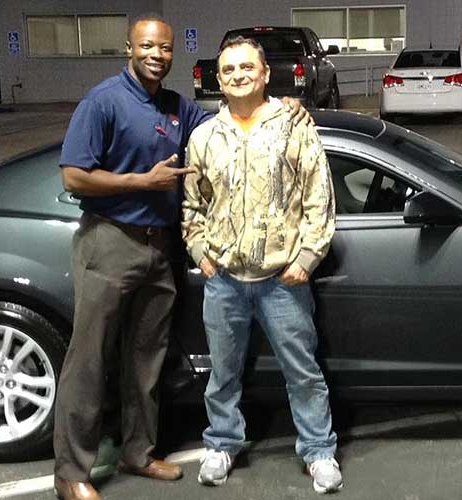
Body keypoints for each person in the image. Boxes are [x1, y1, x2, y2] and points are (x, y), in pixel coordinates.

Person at [53, 13, 311, 500]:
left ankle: (137, 450)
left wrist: (285, 105)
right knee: (88, 361)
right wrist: (139, 182)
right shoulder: (103, 101)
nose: (156, 55)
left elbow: (233, 120)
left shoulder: (176, 107)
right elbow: (73, 176)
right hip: (110, 240)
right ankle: (70, 472)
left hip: (160, 246)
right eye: (147, 46)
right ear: (130, 48)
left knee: (146, 360)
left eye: (166, 48)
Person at [181, 36, 341, 494]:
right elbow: (192, 205)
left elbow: (319, 199)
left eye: (246, 67)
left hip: (282, 283)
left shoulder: (293, 125)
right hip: (225, 281)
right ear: (219, 78)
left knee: (303, 372)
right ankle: (222, 443)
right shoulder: (204, 137)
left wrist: (306, 260)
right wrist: (200, 254)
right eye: (228, 70)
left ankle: (319, 451)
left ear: (265, 73)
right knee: (223, 372)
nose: (237, 75)